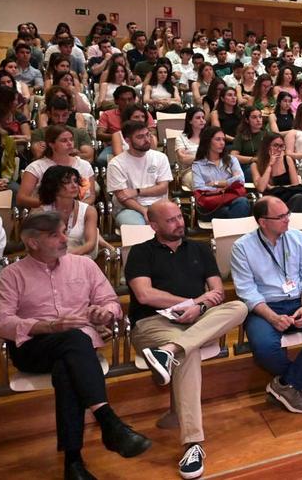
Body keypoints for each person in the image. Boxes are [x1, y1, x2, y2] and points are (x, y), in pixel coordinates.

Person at [0, 212, 152, 479]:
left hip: (74, 350)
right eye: (55, 235)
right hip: (33, 347)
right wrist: (48, 326)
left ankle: (73, 463)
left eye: (64, 231)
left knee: (66, 368)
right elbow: (1, 323)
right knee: (76, 339)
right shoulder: (12, 275)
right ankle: (107, 421)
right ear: (32, 242)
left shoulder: (84, 266)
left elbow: (111, 301)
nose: (65, 239)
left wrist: (106, 313)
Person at [126, 201, 248, 480]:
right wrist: (192, 302)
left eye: (180, 217)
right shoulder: (141, 252)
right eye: (170, 220)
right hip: (153, 323)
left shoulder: (200, 249)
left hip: (196, 320)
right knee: (189, 352)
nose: (179, 223)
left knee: (239, 308)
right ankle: (193, 444)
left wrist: (200, 308)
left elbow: (217, 291)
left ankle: (168, 352)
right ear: (153, 226)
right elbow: (145, 295)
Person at [231, 197, 302, 414]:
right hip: (265, 307)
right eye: (280, 216)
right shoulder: (242, 247)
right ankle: (296, 381)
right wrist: (273, 317)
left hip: (297, 301)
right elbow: (246, 291)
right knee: (264, 348)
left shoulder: (298, 238)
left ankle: (286, 384)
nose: (287, 220)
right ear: (263, 222)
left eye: (287, 214)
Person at [106, 121, 174, 225]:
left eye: (147, 135)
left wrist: (137, 191)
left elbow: (163, 188)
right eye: (140, 137)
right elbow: (122, 197)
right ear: (127, 140)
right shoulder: (116, 164)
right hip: (129, 209)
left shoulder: (160, 157)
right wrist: (143, 210)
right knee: (137, 226)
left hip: (159, 205)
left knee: (175, 224)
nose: (146, 140)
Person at [19, 124, 97, 209]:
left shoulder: (84, 165)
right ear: (51, 144)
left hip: (79, 212)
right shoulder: (36, 167)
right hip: (47, 215)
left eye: (71, 139)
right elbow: (22, 198)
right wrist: (52, 205)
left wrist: (76, 207)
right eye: (64, 141)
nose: (70, 143)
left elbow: (91, 196)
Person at [36, 165, 98, 258]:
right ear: (53, 186)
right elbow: (37, 245)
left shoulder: (89, 211)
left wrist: (66, 256)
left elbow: (90, 244)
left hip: (79, 258)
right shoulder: (40, 213)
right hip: (49, 259)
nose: (74, 185)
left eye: (75, 181)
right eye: (67, 182)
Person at [191, 126, 251, 221]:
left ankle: (229, 233)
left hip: (230, 201)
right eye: (218, 139)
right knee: (236, 210)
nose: (222, 143)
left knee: (242, 202)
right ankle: (235, 233)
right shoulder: (198, 165)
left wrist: (217, 183)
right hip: (210, 207)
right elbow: (199, 188)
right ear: (207, 142)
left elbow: (240, 179)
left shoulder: (231, 160)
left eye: (223, 139)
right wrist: (229, 184)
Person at [251, 133, 302, 213]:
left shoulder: (287, 160)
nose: (279, 149)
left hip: (289, 198)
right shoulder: (255, 165)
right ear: (266, 146)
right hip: (270, 202)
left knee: (300, 197)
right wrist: (270, 165)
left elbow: (295, 185)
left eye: (281, 146)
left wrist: (275, 188)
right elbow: (261, 188)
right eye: (275, 145)